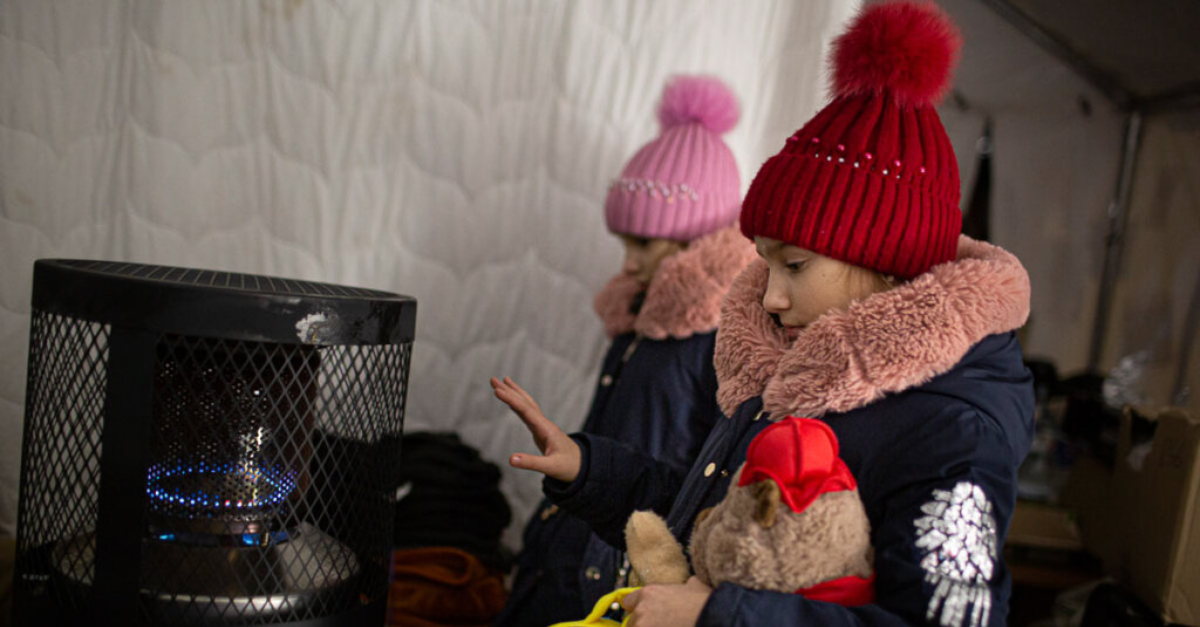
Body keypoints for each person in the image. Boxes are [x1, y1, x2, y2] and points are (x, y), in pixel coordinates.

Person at [492, 3, 1036, 627]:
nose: (771, 298)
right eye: (767, 265)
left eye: (796, 267)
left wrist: (718, 616)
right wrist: (593, 471)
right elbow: (719, 527)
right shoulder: (791, 374)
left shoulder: (953, 431)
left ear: (886, 262)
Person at [491, 75, 755, 627]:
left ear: (692, 243)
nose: (628, 262)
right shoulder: (638, 320)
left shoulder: (720, 339)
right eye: (624, 244)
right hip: (574, 546)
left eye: (643, 244)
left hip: (624, 572)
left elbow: (704, 478)